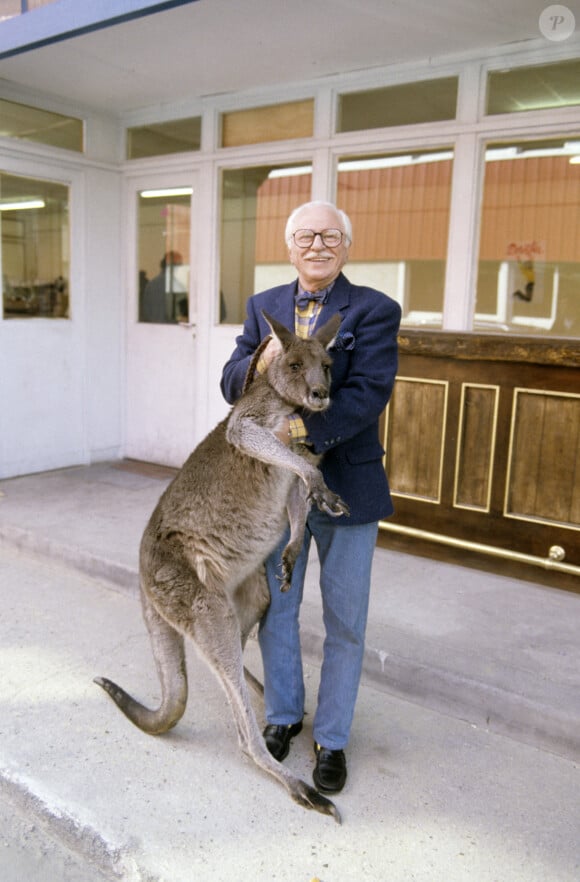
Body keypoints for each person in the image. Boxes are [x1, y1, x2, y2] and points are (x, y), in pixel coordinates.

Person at [220, 201, 401, 795]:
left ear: (345, 246)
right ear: (289, 245)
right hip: (275, 491)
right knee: (279, 608)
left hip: (348, 485)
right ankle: (282, 716)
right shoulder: (263, 307)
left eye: (328, 235)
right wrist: (259, 359)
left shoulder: (374, 309)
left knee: (346, 623)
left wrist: (297, 432)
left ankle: (332, 739)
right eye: (305, 235)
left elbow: (369, 393)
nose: (316, 244)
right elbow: (229, 384)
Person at [141, 251, 183, 323]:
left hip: (152, 328)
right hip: (171, 329)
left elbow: (146, 312)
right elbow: (180, 314)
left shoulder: (151, 285)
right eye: (179, 265)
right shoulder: (176, 286)